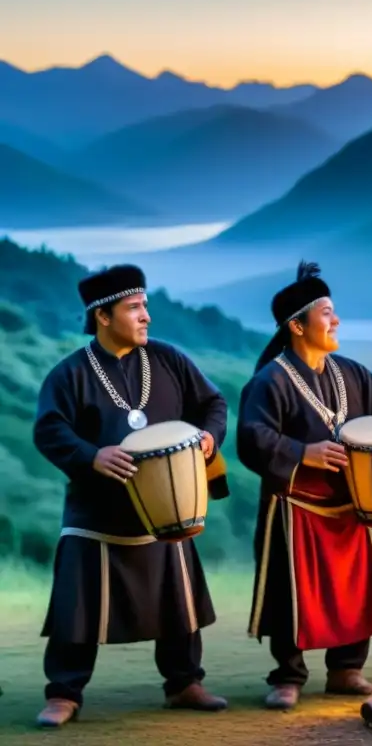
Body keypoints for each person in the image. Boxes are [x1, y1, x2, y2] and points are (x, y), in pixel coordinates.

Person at [32, 264, 230, 728]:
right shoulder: (71, 374)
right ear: (103, 316)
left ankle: (184, 683)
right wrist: (90, 456)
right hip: (95, 512)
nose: (146, 317)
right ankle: (64, 692)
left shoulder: (169, 360)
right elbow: (48, 429)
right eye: (135, 308)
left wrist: (209, 437)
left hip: (167, 507)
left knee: (178, 599)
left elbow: (213, 404)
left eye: (145, 306)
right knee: (75, 603)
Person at [236, 261, 372, 711]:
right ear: (297, 326)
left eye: (334, 312)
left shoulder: (349, 372)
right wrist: (303, 453)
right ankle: (288, 676)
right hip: (296, 508)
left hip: (352, 506)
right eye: (326, 313)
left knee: (357, 592)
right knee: (291, 596)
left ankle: (346, 669)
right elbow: (251, 438)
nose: (336, 321)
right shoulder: (270, 381)